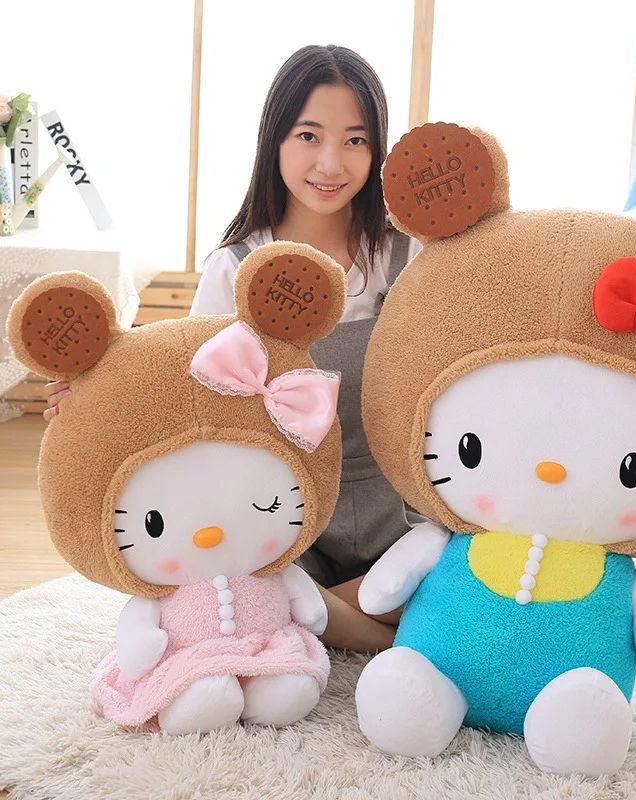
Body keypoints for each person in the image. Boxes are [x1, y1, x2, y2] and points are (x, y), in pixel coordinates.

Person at [43, 44, 423, 654]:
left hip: (399, 505)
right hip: (287, 506)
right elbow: (186, 387)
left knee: (458, 565)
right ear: (275, 141)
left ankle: (319, 616)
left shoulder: (408, 254)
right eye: (308, 136)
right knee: (234, 578)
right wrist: (93, 393)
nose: (330, 162)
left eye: (355, 140)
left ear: (377, 148)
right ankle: (385, 635)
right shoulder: (236, 265)